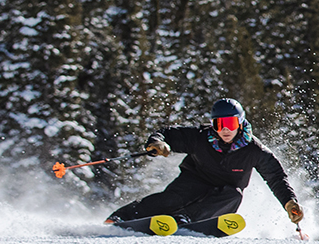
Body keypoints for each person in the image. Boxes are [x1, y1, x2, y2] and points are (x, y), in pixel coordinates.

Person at [107, 98, 304, 229]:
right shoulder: (201, 137)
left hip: (225, 194)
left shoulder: (254, 150)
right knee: (172, 199)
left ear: (241, 123)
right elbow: (167, 134)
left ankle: (184, 220)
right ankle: (122, 217)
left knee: (234, 195)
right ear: (213, 124)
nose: (225, 130)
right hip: (194, 179)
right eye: (219, 124)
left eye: (231, 124)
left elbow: (276, 178)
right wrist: (159, 143)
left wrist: (289, 202)